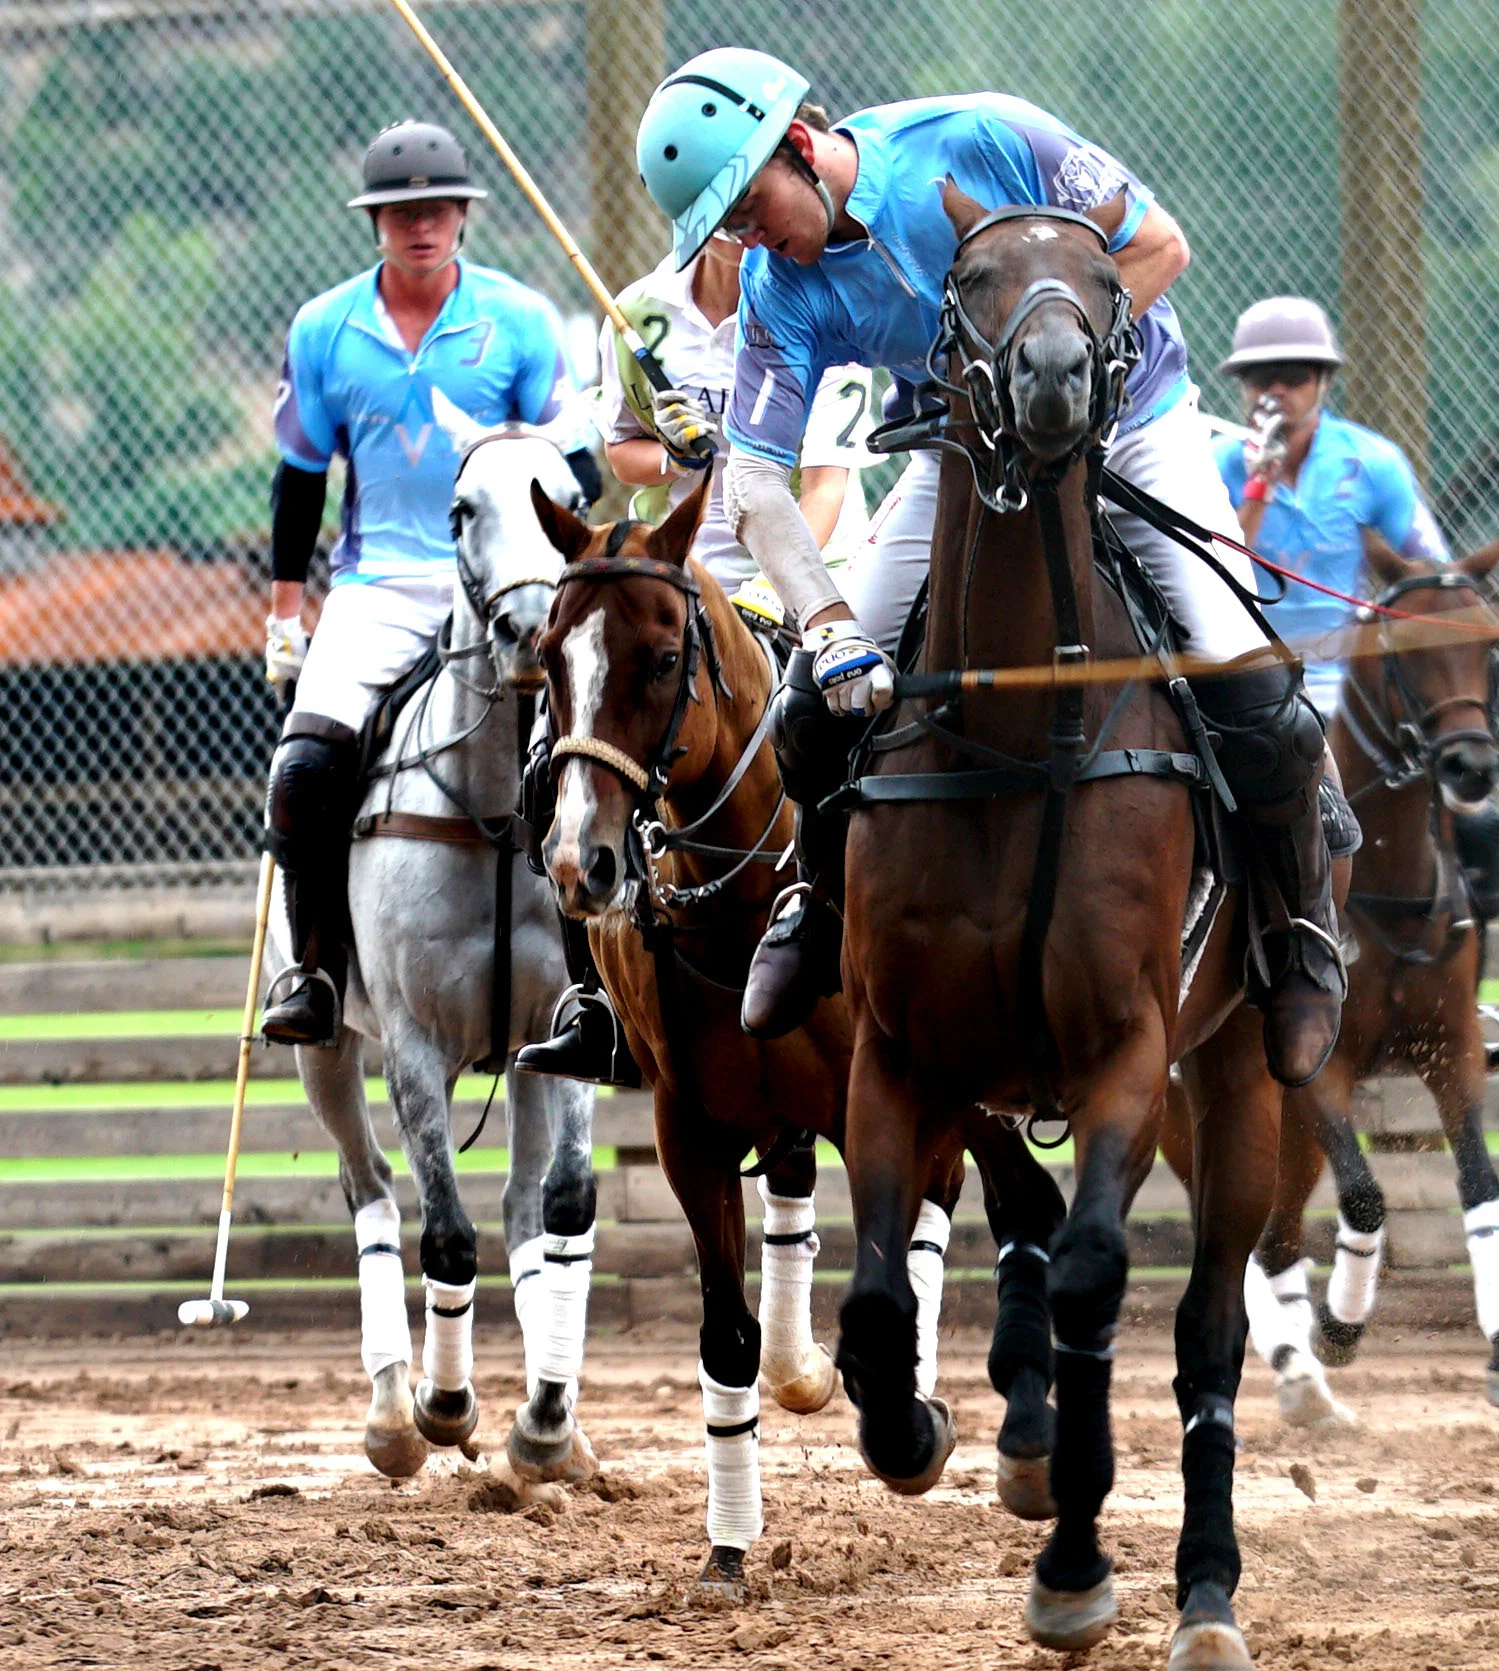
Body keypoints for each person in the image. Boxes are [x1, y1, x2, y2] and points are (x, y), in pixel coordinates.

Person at [633, 50, 1345, 1086]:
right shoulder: (780, 287)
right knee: (805, 706)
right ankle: (814, 896)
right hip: (962, 451)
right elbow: (752, 477)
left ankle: (1299, 937)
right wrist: (826, 622)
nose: (750, 238)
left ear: (798, 144)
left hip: (1129, 420)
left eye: (749, 206)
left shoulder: (985, 135)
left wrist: (1068, 384)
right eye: (729, 228)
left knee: (1252, 686)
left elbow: (1157, 247)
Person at [514, 194, 884, 1086]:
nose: (730, 222)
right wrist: (679, 450)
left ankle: (886, 958)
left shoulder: (823, 298)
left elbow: (827, 484)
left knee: (860, 738)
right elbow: (623, 451)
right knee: (554, 757)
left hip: (808, 569)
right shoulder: (637, 315)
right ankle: (599, 1007)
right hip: (670, 575)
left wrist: (774, 583)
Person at [263, 121, 588, 1046]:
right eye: (403, 212)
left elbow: (574, 475)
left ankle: (598, 981)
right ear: (376, 222)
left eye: (439, 208)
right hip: (376, 585)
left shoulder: (518, 319)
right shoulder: (324, 328)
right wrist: (288, 614)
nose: (422, 225)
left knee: (596, 750)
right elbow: (299, 478)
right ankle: (316, 971)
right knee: (305, 767)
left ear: (463, 217)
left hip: (508, 583)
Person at [1211, 296, 1499, 1073]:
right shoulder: (1216, 469)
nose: (1273, 393)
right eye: (1259, 380)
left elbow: (1431, 575)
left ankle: (1468, 1003)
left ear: (1321, 381)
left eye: (1291, 377)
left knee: (1477, 824)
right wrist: (1252, 490)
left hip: (1367, 697)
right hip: (1261, 687)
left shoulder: (1373, 465)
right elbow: (1212, 581)